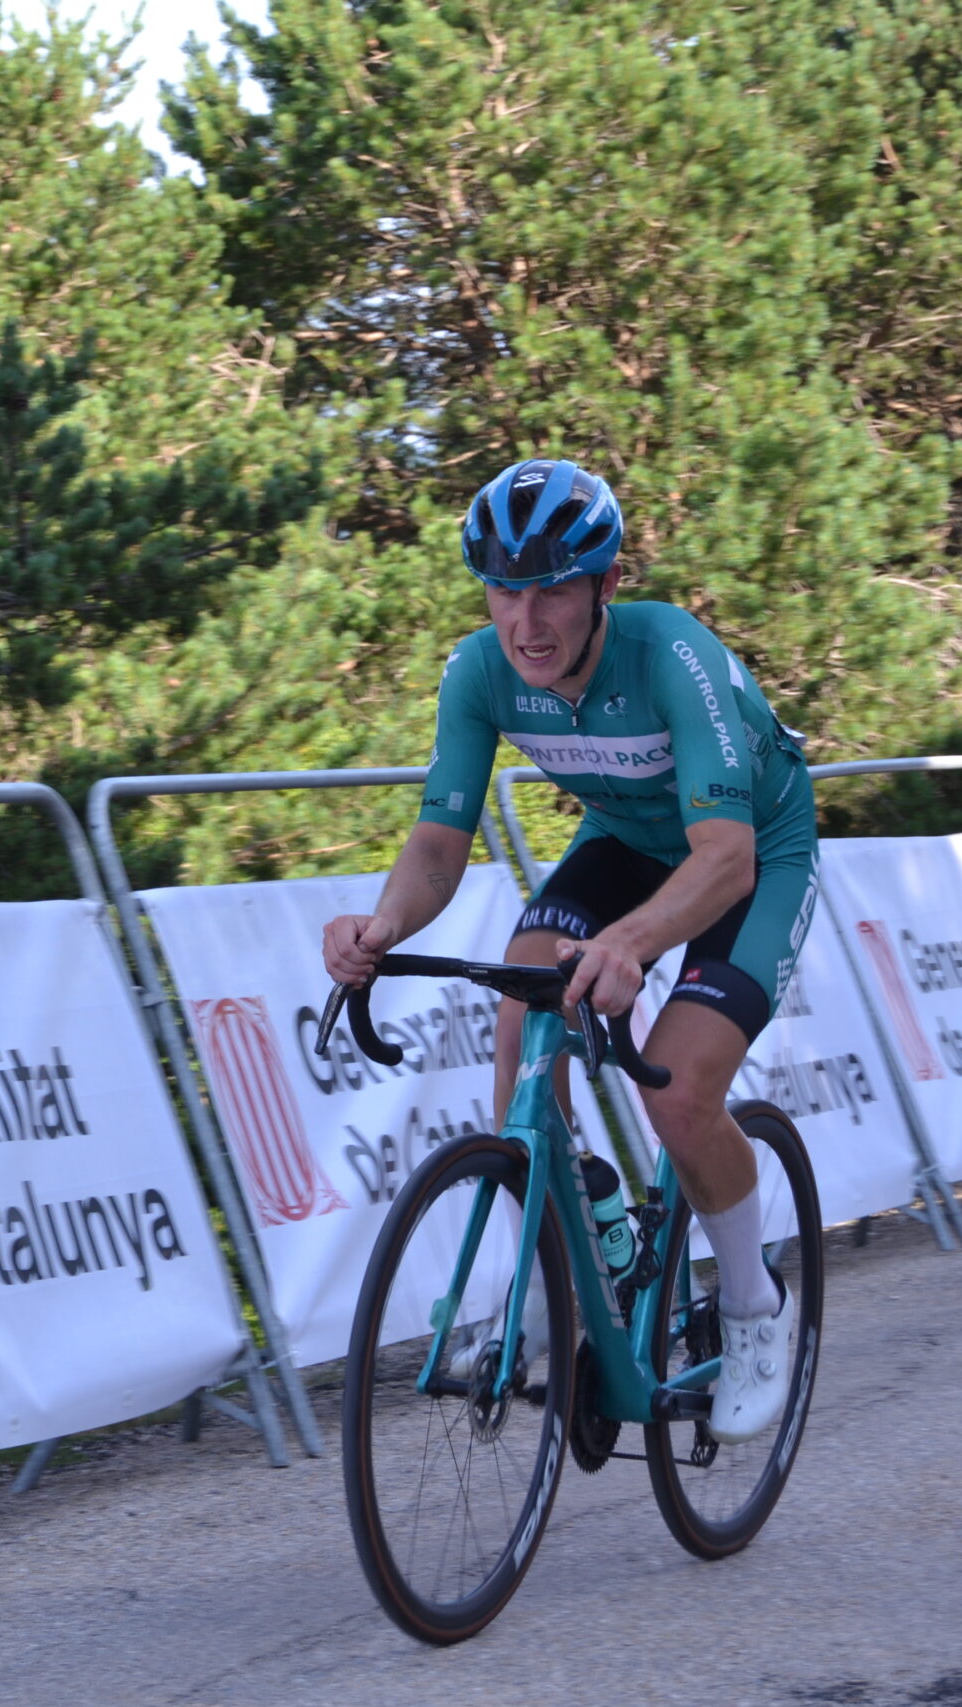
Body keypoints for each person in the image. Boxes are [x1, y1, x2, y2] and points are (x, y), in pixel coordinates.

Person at [320, 457, 816, 1443]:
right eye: (506, 588)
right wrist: (381, 927)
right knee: (524, 1017)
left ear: (606, 586)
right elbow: (436, 842)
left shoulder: (670, 657)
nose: (526, 620)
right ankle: (571, 1254)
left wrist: (635, 940)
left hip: (751, 858)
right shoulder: (478, 672)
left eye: (552, 587)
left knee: (674, 1091)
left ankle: (757, 1308)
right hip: (625, 845)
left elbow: (724, 856)